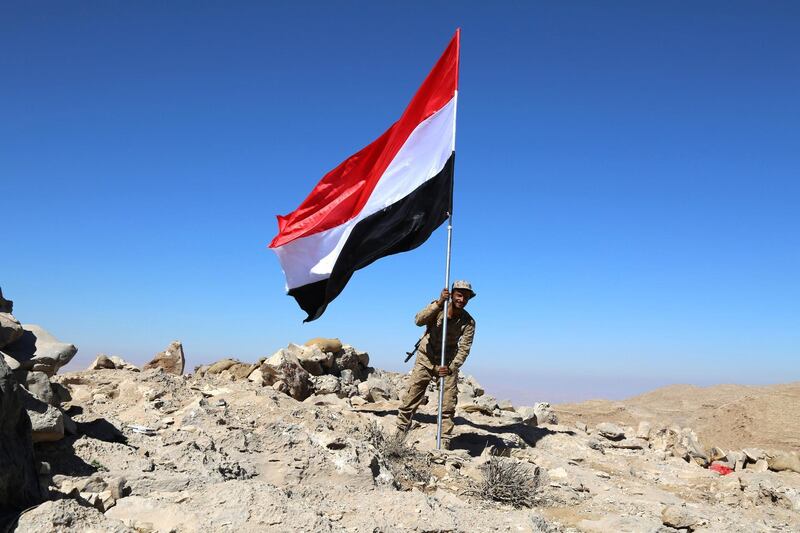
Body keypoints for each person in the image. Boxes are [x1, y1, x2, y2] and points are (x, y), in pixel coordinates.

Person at [396, 280, 476, 449]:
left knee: (447, 404)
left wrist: (451, 368)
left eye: (466, 297)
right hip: (426, 358)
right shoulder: (438, 307)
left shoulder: (468, 322)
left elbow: (464, 349)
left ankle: (445, 440)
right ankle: (400, 431)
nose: (462, 300)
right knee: (411, 398)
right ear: (452, 294)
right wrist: (439, 303)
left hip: (446, 364)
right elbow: (418, 320)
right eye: (459, 295)